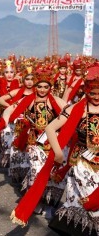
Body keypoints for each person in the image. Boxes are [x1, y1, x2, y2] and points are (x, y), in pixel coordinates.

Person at [46, 63, 99, 235]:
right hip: (82, 164)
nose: (97, 97)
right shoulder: (78, 109)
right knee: (86, 201)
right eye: (93, 93)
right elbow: (50, 129)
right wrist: (59, 153)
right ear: (86, 91)